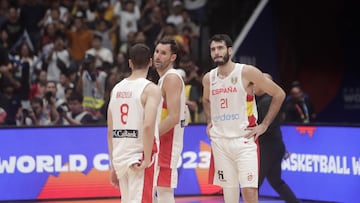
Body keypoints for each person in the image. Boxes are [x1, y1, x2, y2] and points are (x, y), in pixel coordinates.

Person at [202, 34, 285, 203]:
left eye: (220, 48)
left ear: (229, 50)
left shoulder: (246, 72)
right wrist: (210, 120)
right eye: (213, 49)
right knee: (229, 196)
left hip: (244, 141)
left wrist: (264, 125)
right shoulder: (208, 78)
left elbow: (279, 94)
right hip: (220, 142)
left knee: (249, 194)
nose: (216, 52)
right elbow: (205, 99)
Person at [107, 43, 162, 202]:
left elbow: (110, 131)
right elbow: (148, 125)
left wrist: (113, 164)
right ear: (150, 62)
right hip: (139, 156)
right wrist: (146, 158)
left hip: (120, 157)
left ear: (130, 63)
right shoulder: (150, 89)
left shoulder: (116, 89)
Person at [254, 73, 299, 203]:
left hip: (267, 148)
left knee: (253, 185)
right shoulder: (266, 100)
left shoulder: (267, 101)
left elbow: (266, 126)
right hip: (275, 146)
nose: (254, 86)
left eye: (256, 83)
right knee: (276, 181)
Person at [153, 37, 186, 203]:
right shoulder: (163, 79)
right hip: (162, 142)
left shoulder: (171, 78)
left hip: (168, 143)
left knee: (164, 193)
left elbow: (173, 117)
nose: (158, 56)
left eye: (163, 53)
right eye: (157, 51)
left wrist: (150, 136)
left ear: (172, 57)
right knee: (156, 192)